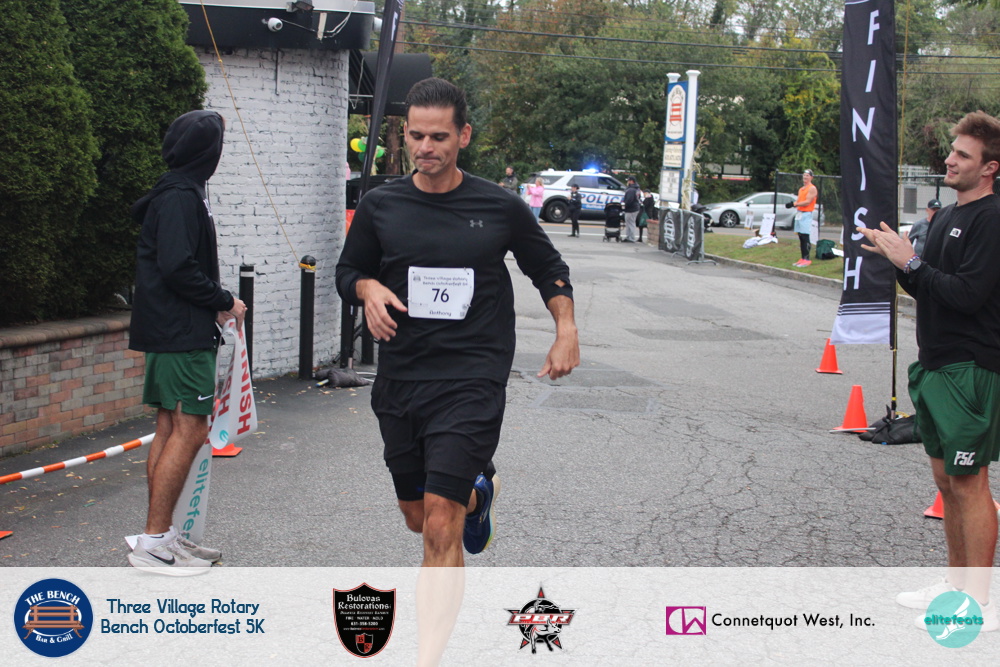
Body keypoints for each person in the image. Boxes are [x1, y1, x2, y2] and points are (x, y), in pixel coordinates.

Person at [335, 78, 580, 571]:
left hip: (472, 376)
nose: (425, 147)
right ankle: (477, 495)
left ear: (463, 135)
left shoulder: (499, 206)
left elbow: (548, 268)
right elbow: (348, 271)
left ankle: (438, 628)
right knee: (417, 516)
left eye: (439, 137)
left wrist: (566, 329)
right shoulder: (381, 205)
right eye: (416, 135)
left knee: (440, 523)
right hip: (403, 376)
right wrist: (367, 288)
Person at [858, 110, 1000, 632]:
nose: (950, 159)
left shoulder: (992, 219)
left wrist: (912, 262)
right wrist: (899, 260)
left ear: (990, 167)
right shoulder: (946, 217)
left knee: (968, 482)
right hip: (936, 365)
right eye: (952, 150)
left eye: (963, 154)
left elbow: (967, 295)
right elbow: (928, 285)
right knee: (947, 480)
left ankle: (977, 604)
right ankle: (955, 584)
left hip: (971, 368)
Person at [127, 110, 247, 575]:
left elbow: (173, 265)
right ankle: (155, 540)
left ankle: (161, 536)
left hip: (169, 329)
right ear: (208, 153)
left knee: (170, 427)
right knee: (191, 429)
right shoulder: (180, 197)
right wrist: (223, 300)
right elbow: (178, 266)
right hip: (180, 333)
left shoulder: (177, 191)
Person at [787, 169, 818, 267]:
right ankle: (802, 258)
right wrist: (793, 204)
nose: (805, 177)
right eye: (804, 175)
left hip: (806, 214)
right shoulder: (801, 189)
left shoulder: (812, 188)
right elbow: (800, 201)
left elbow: (807, 202)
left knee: (805, 236)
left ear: (811, 177)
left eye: (807, 175)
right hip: (799, 213)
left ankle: (807, 258)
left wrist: (794, 204)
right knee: (800, 236)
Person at [621, 177, 641, 242]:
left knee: (630, 223)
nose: (628, 182)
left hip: (631, 208)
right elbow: (639, 197)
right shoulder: (637, 189)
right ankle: (629, 237)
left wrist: (625, 206)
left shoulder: (631, 190)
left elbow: (629, 200)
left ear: (631, 181)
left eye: (628, 181)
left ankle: (631, 238)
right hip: (635, 207)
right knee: (629, 223)